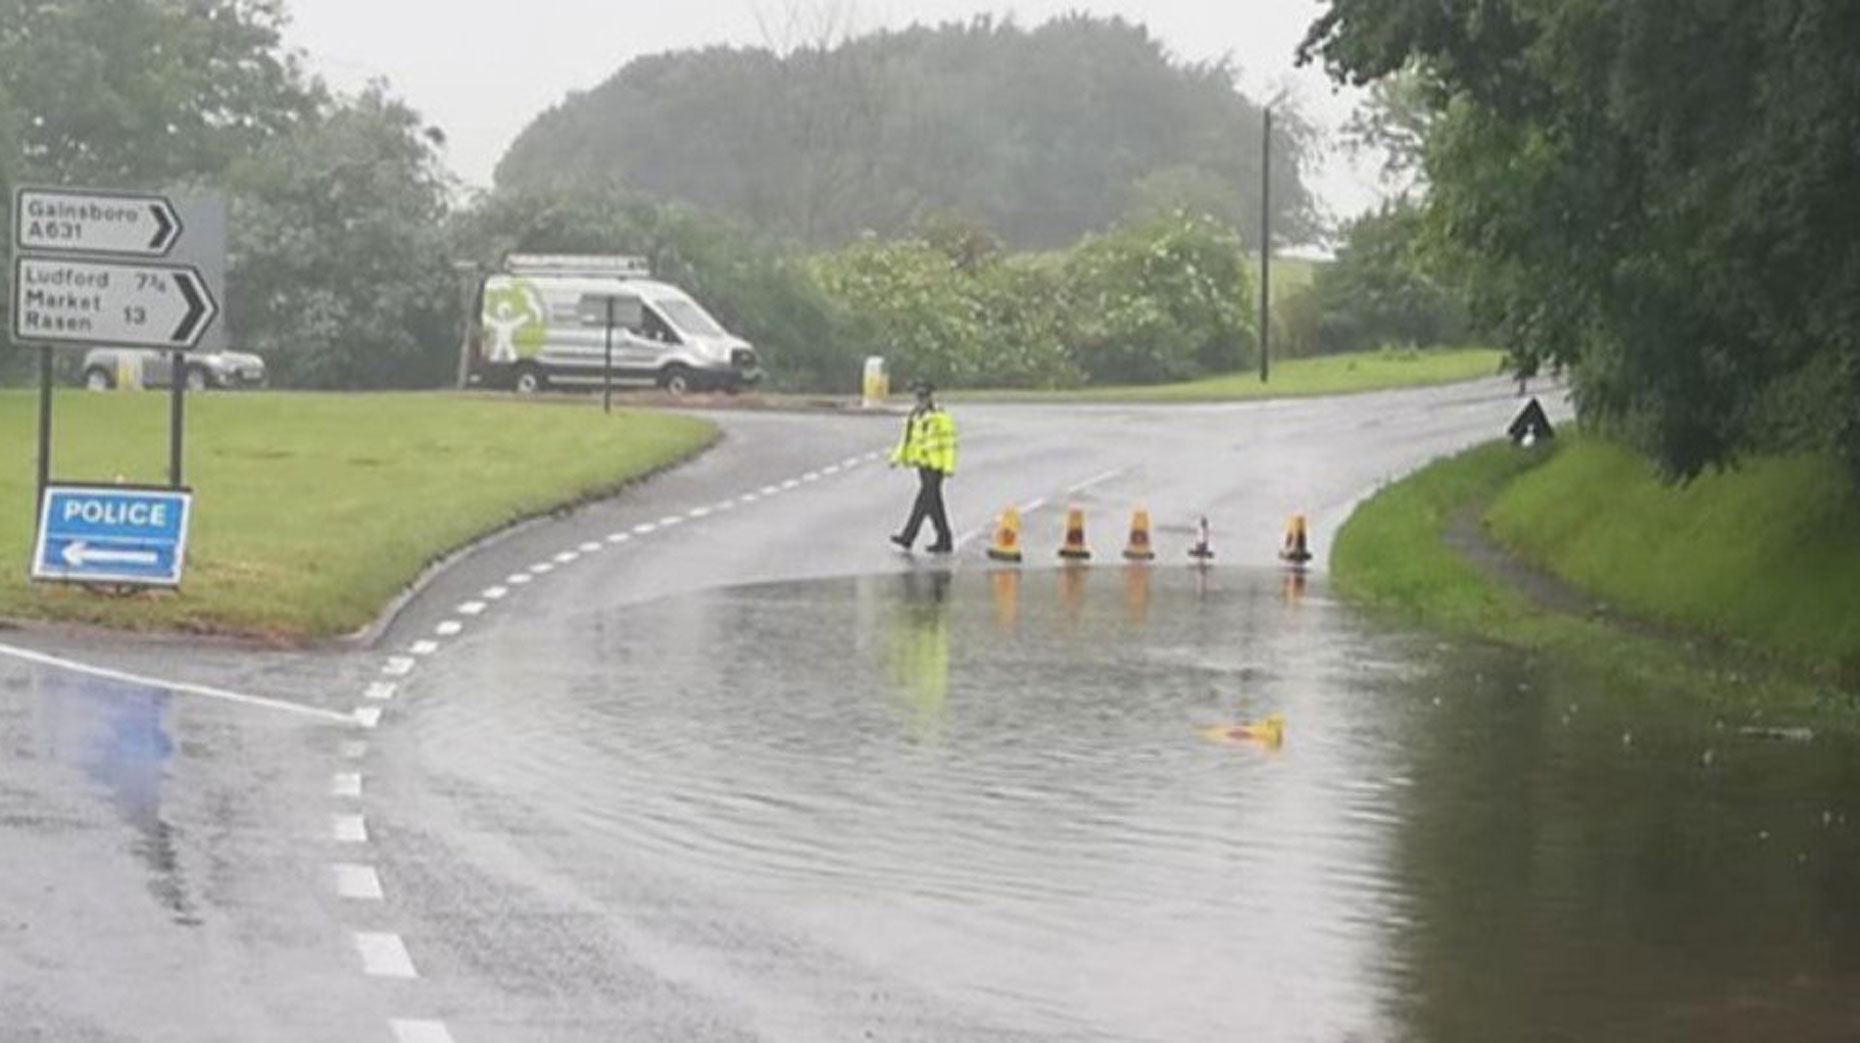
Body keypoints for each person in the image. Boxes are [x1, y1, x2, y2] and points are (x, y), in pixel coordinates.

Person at [889, 380, 957, 553]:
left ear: (930, 398)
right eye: (918, 397)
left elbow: (948, 444)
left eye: (924, 397)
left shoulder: (940, 418)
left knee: (922, 502)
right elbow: (906, 441)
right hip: (922, 465)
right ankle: (945, 539)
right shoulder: (914, 417)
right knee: (934, 505)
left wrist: (948, 466)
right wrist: (896, 458)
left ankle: (908, 537)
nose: (921, 401)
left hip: (936, 467)